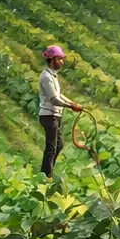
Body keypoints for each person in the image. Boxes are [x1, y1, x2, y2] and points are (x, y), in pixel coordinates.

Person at [38, 45, 83, 177]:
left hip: (55, 115)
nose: (62, 62)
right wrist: (70, 107)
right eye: (60, 59)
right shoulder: (46, 77)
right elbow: (53, 99)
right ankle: (46, 176)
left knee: (59, 145)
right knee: (52, 147)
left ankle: (46, 171)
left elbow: (59, 95)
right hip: (48, 116)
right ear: (52, 60)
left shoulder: (53, 76)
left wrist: (72, 102)